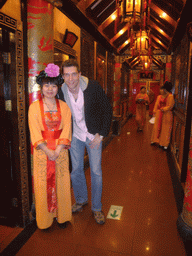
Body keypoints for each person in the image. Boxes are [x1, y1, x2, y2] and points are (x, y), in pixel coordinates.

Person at [58, 59, 112, 225]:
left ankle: (96, 208)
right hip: (75, 135)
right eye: (67, 75)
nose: (71, 78)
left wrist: (101, 134)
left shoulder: (93, 87)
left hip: (93, 135)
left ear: (79, 74)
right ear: (63, 76)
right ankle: (81, 199)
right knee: (76, 170)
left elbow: (107, 109)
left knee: (95, 171)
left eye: (74, 74)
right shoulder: (61, 91)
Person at [28, 63, 72, 230]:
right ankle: (45, 220)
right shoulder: (33, 108)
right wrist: (47, 150)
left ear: (58, 87)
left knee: (61, 183)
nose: (50, 89)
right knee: (42, 186)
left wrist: (58, 150)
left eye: (53, 85)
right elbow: (34, 131)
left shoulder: (64, 107)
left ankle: (62, 217)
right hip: (42, 153)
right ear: (41, 86)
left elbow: (67, 128)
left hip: (59, 153)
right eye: (46, 85)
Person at [150, 81, 175, 150]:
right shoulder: (159, 97)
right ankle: (156, 140)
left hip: (167, 115)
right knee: (157, 127)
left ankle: (164, 144)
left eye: (163, 89)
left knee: (166, 129)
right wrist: (154, 112)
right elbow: (156, 105)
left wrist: (163, 109)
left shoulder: (170, 96)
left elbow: (170, 106)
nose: (161, 90)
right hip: (159, 114)